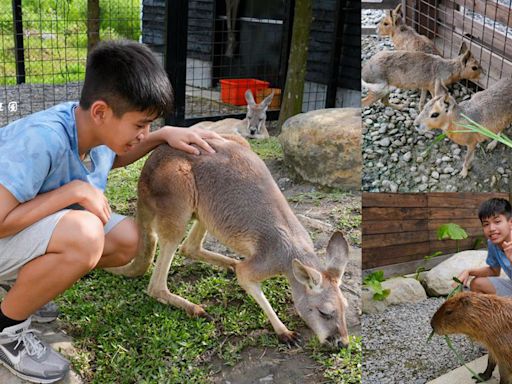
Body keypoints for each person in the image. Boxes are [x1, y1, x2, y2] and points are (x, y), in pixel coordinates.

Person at [0, 40, 220, 383]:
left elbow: (113, 158)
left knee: (126, 239)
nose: (143, 133)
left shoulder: (92, 129)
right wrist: (71, 192)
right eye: (140, 125)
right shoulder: (41, 140)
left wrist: (162, 136)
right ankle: (7, 331)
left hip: (16, 230)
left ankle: (20, 288)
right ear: (101, 112)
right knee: (86, 235)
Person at [457, 198, 512, 295]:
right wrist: (469, 271)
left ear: (510, 223)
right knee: (477, 284)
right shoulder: (493, 243)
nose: (491, 229)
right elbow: (494, 271)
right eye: (486, 224)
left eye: (497, 222)